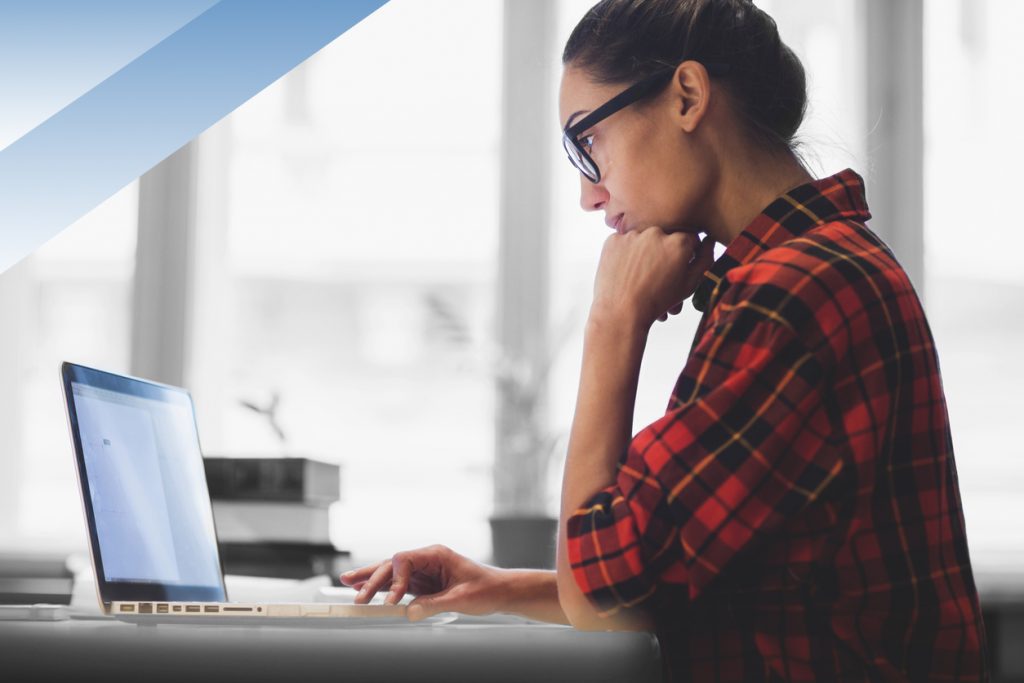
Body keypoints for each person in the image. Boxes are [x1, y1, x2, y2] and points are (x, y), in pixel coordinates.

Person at [341, 0, 989, 679]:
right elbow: (692, 580)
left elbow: (603, 597)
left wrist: (613, 322)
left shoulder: (792, 296)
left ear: (686, 96)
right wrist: (497, 588)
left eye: (587, 142)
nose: (589, 196)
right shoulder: (814, 267)